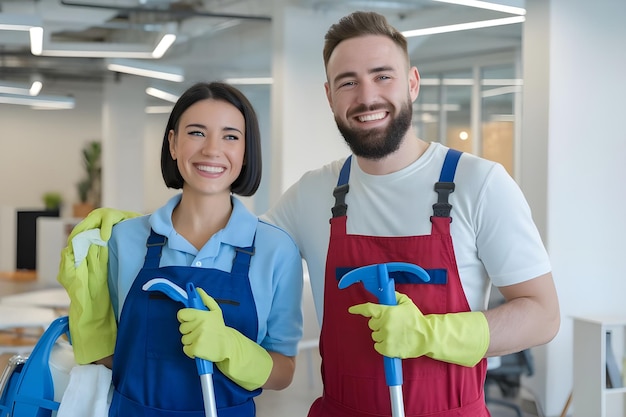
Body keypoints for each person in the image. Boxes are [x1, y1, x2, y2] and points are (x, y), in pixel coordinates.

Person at [261, 11, 560, 416]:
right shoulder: (314, 192)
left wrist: (429, 333)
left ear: (412, 83)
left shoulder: (479, 183)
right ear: (330, 96)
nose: (367, 97)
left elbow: (542, 315)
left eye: (383, 75)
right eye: (349, 82)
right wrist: (153, 229)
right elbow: (241, 248)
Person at [57, 81, 303, 417]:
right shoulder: (122, 240)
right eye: (197, 133)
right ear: (173, 143)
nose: (212, 150)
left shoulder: (276, 250)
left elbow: (284, 370)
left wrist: (231, 349)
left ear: (247, 151)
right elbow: (106, 350)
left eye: (231, 136)